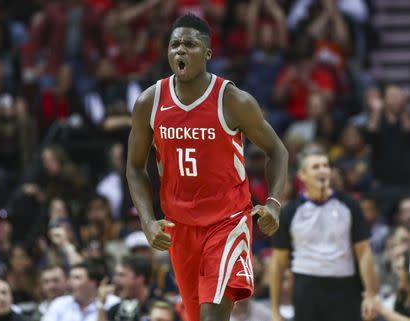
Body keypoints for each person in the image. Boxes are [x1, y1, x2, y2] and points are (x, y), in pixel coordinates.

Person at [126, 13, 288, 321]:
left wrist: (274, 204)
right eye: (174, 45)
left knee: (213, 315)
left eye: (189, 44)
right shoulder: (150, 101)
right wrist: (147, 221)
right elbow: (135, 168)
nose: (180, 51)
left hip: (227, 222)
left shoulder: (233, 100)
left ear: (208, 53)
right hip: (180, 226)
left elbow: (277, 151)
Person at [270, 147, 379, 321]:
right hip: (306, 287)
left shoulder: (350, 205)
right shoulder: (289, 212)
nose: (322, 170)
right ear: (302, 175)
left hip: (345, 287)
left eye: (325, 165)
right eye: (315, 167)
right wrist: (275, 310)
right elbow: (278, 262)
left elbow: (364, 252)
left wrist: (370, 295)